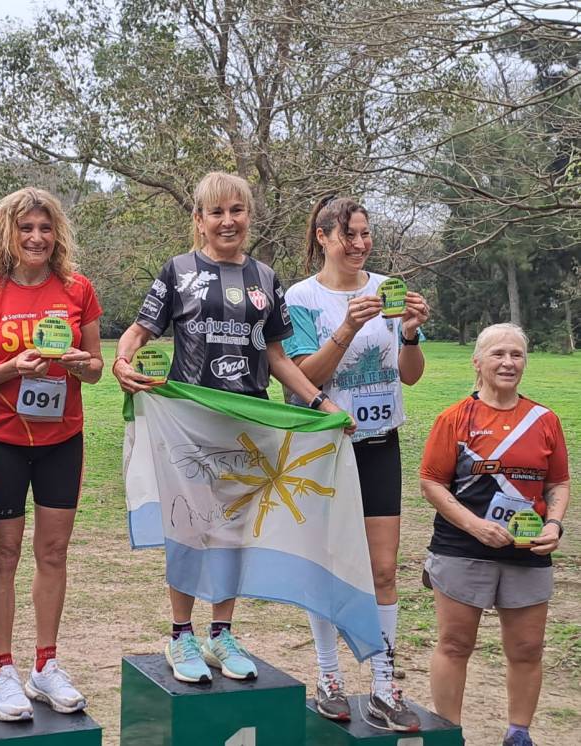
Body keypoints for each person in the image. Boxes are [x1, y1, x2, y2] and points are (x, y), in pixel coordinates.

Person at [112, 171, 348, 685]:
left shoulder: (266, 278)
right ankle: (180, 636)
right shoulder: (177, 271)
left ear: (249, 216)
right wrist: (122, 361)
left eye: (236, 210)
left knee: (234, 532)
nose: (227, 221)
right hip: (188, 424)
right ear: (198, 221)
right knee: (190, 527)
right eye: (215, 212)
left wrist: (319, 402)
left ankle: (221, 632)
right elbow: (138, 329)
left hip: (247, 424)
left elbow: (278, 355)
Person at [281, 195, 429, 730]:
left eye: (366, 234)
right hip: (321, 449)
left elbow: (410, 375)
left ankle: (385, 688)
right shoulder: (300, 297)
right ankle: (329, 679)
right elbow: (303, 376)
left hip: (379, 442)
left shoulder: (387, 289)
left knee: (383, 568)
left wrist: (409, 331)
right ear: (323, 237)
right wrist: (345, 326)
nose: (361, 245)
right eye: (350, 235)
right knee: (328, 563)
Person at [0, 187, 103, 721]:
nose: (36, 237)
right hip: (0, 443)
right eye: (26, 229)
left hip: (63, 439)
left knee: (54, 553)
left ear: (56, 234)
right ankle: (2, 671)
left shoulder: (77, 289)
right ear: (7, 235)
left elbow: (95, 367)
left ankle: (46, 664)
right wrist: (14, 368)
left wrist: (75, 362)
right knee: (3, 554)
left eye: (44, 228)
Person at [420, 323, 570, 746]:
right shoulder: (454, 418)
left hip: (528, 549)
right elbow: (431, 482)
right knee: (455, 643)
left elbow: (558, 483)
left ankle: (519, 733)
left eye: (517, 355)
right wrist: (475, 526)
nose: (508, 363)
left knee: (527, 649)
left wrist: (555, 525)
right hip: (462, 547)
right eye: (498, 354)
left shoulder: (545, 420)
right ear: (478, 362)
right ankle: (449, 735)